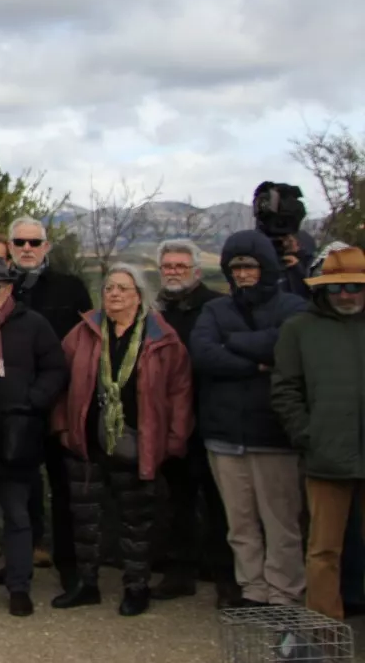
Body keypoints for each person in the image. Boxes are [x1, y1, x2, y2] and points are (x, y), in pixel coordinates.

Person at [51, 263, 191, 616]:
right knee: (86, 520)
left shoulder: (161, 337)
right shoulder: (84, 331)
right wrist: (63, 428)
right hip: (86, 441)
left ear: (139, 296)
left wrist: (173, 441)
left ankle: (136, 587)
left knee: (136, 521)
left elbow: (180, 392)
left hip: (138, 442)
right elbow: (59, 380)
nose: (113, 294)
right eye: (109, 288)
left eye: (122, 289)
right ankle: (87, 584)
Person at [189, 232, 308, 610]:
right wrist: (256, 363)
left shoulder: (293, 306)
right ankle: (253, 590)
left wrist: (233, 343)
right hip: (224, 435)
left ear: (266, 267)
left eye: (249, 266)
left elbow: (284, 346)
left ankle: (284, 594)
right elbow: (203, 353)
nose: (242, 274)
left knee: (281, 523)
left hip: (273, 435)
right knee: (240, 524)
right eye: (236, 267)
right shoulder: (215, 310)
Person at [0, 256, 67, 617]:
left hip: (17, 436)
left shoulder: (33, 325)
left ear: (9, 289)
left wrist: (32, 402)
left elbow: (55, 368)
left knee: (17, 516)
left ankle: (19, 586)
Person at [273, 246, 365, 619]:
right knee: (324, 550)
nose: (345, 295)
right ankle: (325, 634)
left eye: (354, 287)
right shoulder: (299, 329)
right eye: (336, 287)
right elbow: (285, 389)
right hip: (326, 457)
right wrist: (308, 435)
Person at [7, 216, 92, 585]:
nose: (27, 248)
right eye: (20, 242)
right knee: (17, 490)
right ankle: (18, 563)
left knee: (63, 487)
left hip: (61, 402)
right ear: (10, 247)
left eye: (34, 242)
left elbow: (88, 342)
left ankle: (70, 569)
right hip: (14, 405)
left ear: (46, 247)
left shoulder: (70, 288)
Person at [151, 239, 235, 605]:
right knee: (178, 498)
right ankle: (179, 570)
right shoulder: (154, 309)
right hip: (170, 418)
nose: (173, 272)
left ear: (197, 271)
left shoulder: (217, 307)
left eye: (180, 266)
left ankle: (226, 575)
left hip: (211, 413)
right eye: (167, 266)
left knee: (219, 501)